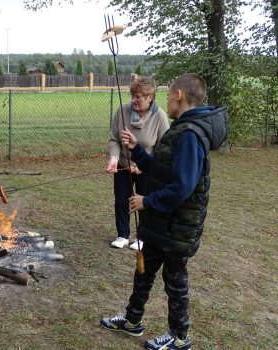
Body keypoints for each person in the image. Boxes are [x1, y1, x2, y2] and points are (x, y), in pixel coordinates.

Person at [100, 73, 228, 350]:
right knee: (144, 271)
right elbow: (164, 169)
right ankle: (133, 321)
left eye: (168, 94)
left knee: (175, 282)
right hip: (163, 224)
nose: (166, 100)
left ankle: (179, 337)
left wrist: (147, 202)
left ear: (179, 95)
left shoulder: (191, 134)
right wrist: (138, 152)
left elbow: (182, 186)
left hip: (177, 226)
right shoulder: (183, 128)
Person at [106, 76, 169, 249]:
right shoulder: (122, 111)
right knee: (121, 199)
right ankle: (122, 235)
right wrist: (114, 158)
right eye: (132, 95)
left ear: (150, 97)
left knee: (144, 200)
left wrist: (143, 166)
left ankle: (143, 237)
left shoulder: (160, 117)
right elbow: (114, 139)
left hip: (147, 168)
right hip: (123, 165)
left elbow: (164, 150)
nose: (133, 100)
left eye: (138, 96)